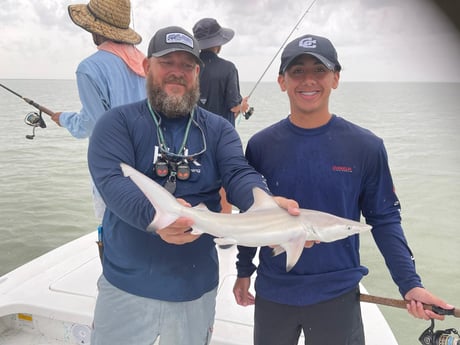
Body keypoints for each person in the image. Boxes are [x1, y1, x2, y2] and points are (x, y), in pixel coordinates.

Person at [232, 34, 453, 345]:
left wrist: (410, 285)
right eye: (297, 71)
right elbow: (252, 217)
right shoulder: (261, 145)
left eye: (319, 70)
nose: (308, 80)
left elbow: (385, 220)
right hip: (274, 292)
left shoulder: (365, 146)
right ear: (281, 81)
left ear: (335, 78)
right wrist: (244, 270)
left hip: (337, 295)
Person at [87, 25, 298, 345]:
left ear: (197, 72)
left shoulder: (218, 130)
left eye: (186, 65)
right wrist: (157, 218)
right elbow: (112, 181)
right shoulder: (117, 123)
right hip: (124, 287)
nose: (177, 72)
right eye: (166, 62)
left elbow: (238, 171)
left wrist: (263, 203)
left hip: (193, 291)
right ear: (146, 67)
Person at [51, 0, 146, 221]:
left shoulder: (89, 68)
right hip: (150, 162)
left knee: (111, 230)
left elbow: (95, 123)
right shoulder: (146, 63)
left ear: (93, 29)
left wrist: (64, 119)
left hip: (112, 167)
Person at [193, 17, 248, 213]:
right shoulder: (228, 68)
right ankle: (223, 234)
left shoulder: (190, 67)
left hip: (192, 137)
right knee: (224, 182)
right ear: (218, 43)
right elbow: (234, 105)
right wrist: (243, 106)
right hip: (221, 137)